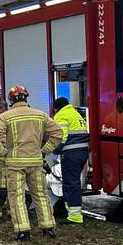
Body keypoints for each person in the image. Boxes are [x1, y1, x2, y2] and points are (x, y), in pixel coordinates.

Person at [0, 85, 63, 241]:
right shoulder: (40, 115)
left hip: (15, 164)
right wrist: (44, 150)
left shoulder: (6, 117)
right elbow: (57, 133)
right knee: (41, 195)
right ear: (26, 98)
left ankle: (23, 231)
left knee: (17, 196)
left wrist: (2, 152)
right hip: (36, 162)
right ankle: (47, 227)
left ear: (11, 100)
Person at [52, 96, 90, 224]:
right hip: (82, 153)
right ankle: (71, 212)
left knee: (70, 183)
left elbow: (60, 138)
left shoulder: (61, 115)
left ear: (56, 108)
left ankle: (75, 216)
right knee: (73, 182)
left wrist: (54, 150)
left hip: (71, 154)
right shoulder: (75, 113)